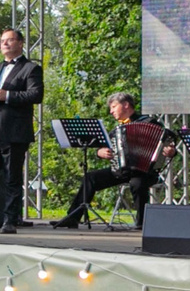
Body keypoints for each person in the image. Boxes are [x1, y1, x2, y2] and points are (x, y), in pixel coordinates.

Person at [58, 92, 165, 229]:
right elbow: (103, 147)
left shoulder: (150, 122)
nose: (111, 111)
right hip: (122, 170)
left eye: (114, 107)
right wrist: (100, 152)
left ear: (126, 105)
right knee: (90, 178)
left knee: (137, 183)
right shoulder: (118, 129)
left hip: (146, 172)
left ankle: (142, 222)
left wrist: (168, 149)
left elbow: (166, 143)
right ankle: (72, 218)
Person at [0, 27, 44, 233]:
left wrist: (7, 96)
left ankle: (10, 220)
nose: (4, 43)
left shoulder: (30, 68)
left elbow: (36, 95)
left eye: (10, 40)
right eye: (2, 40)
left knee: (12, 178)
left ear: (20, 43)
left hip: (14, 132)